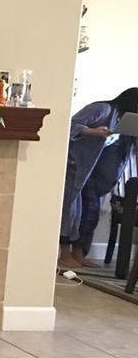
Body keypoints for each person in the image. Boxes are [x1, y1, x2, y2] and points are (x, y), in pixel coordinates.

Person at [59, 88, 138, 270]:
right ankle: (64, 254)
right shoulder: (103, 109)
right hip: (75, 164)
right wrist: (91, 132)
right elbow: (69, 125)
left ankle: (77, 254)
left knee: (85, 214)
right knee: (71, 211)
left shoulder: (122, 122)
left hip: (90, 172)